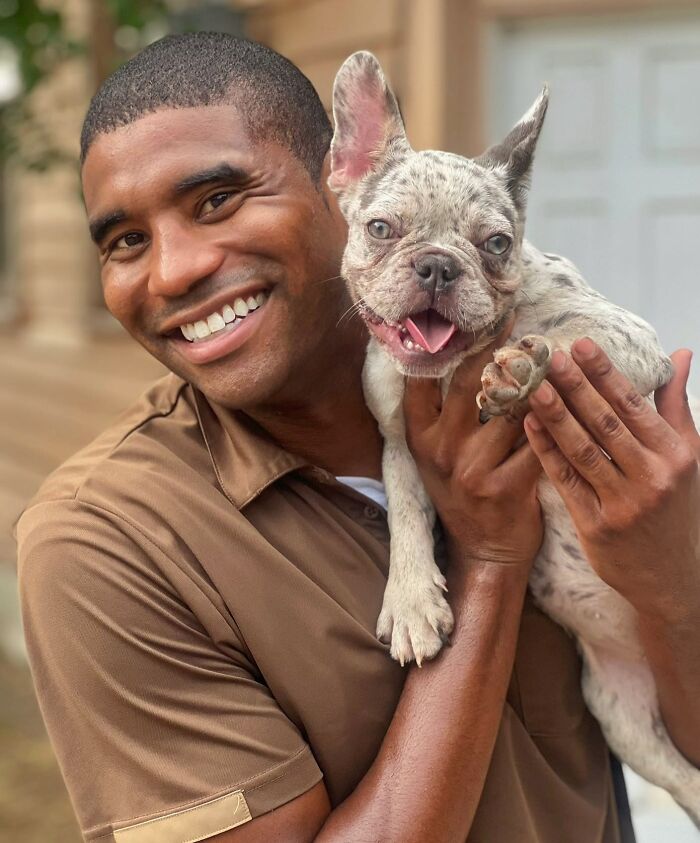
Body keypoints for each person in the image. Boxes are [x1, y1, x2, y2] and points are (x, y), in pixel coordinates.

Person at [16, 32, 700, 843]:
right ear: (360, 180)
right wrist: (485, 561)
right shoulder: (104, 546)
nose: (171, 271)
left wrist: (674, 582)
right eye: (125, 241)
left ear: (334, 177)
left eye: (219, 200)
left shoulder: (538, 398)